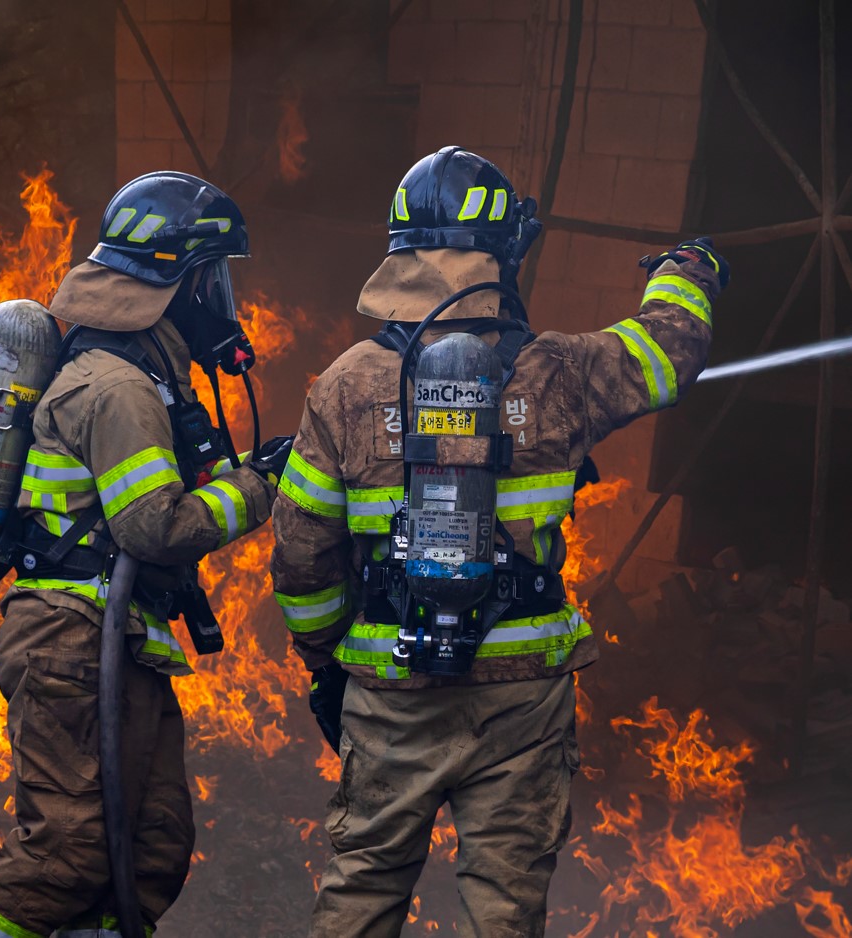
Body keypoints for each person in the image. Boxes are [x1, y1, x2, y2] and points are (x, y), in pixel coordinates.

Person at [269, 146, 727, 937]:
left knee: (362, 887)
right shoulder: (560, 372)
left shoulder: (346, 384)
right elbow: (666, 356)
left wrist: (327, 668)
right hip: (521, 692)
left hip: (392, 686)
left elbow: (301, 554)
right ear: (505, 254)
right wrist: (685, 272)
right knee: (505, 908)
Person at [0, 171, 292, 938]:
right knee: (69, 852)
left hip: (114, 640)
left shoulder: (140, 374)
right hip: (72, 639)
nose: (223, 304)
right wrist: (261, 487)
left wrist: (246, 471)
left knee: (151, 845)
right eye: (215, 282)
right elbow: (153, 529)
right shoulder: (120, 387)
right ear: (179, 283)